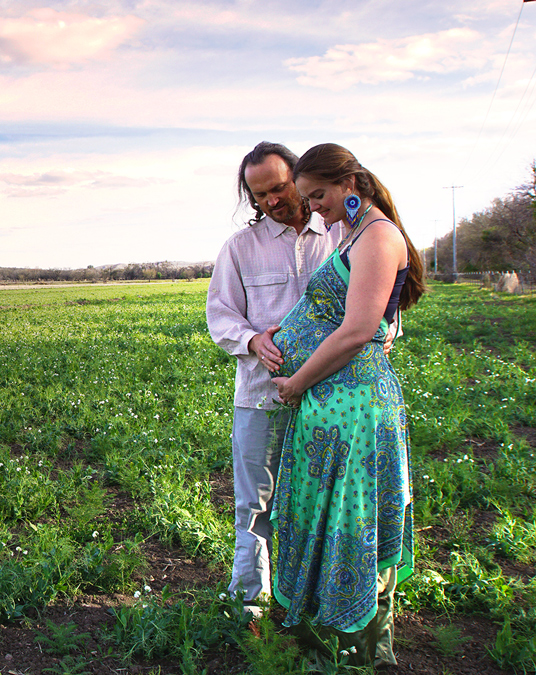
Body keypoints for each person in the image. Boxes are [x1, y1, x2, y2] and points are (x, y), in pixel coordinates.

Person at [269, 143, 425, 666]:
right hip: (332, 407)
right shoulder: (354, 233)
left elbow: (358, 329)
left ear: (350, 182)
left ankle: (367, 640)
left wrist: (297, 382)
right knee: (329, 515)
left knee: (355, 518)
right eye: (308, 198)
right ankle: (338, 630)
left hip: (355, 410)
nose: (313, 207)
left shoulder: (378, 236)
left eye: (319, 196)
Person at [206, 142, 343, 614]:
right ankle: (249, 600)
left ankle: (317, 597)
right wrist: (250, 341)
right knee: (255, 505)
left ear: (298, 178)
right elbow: (220, 316)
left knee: (325, 503)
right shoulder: (240, 248)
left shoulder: (342, 234)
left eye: (279, 189)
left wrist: (389, 330)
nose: (271, 201)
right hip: (262, 396)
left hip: (332, 396)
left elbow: (378, 296)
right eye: (259, 195)